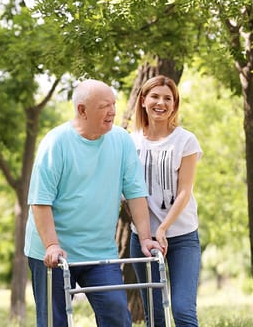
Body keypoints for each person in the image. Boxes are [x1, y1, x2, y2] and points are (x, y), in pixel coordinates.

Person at [25, 79, 162, 327]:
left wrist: (145, 237)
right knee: (53, 322)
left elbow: (135, 193)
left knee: (117, 316)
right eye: (104, 106)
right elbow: (40, 201)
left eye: (113, 104)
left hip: (99, 251)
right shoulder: (56, 143)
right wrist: (52, 245)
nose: (112, 111)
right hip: (53, 251)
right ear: (82, 110)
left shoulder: (121, 141)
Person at [129, 75, 202, 327]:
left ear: (175, 104)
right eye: (155, 96)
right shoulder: (131, 141)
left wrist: (162, 228)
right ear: (143, 101)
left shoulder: (186, 140)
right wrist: (147, 234)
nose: (161, 103)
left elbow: (184, 191)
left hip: (182, 237)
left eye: (168, 98)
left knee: (182, 311)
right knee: (155, 315)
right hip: (142, 239)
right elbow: (127, 191)